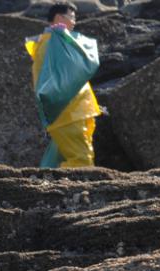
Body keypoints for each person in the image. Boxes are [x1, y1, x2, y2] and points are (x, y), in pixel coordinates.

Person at [25, 2, 101, 167]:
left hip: (70, 111)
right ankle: (77, 189)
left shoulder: (48, 42)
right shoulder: (53, 43)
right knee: (82, 158)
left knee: (58, 157)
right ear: (59, 18)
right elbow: (87, 62)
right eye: (72, 17)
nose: (74, 22)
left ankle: (45, 185)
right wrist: (65, 37)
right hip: (68, 111)